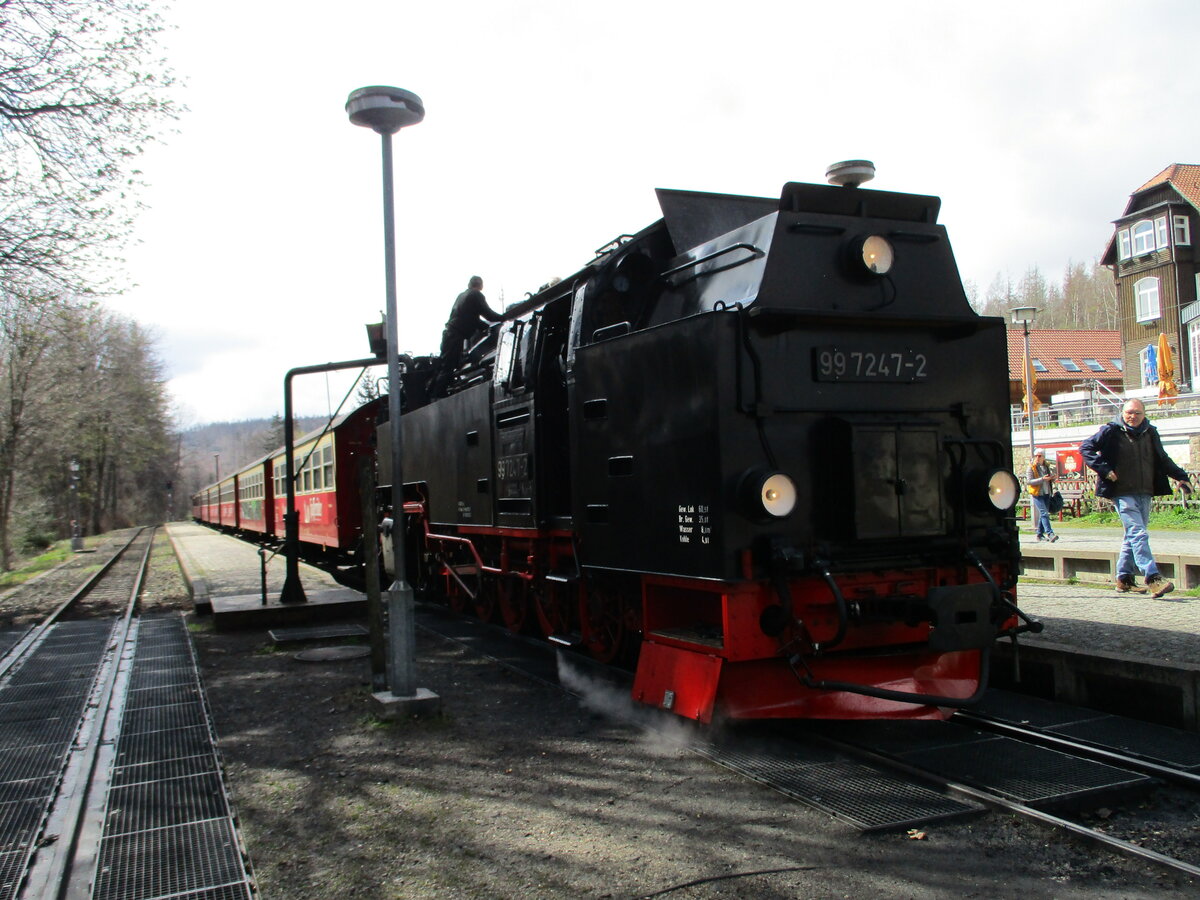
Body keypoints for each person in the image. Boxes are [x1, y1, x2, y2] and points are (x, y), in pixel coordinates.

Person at [1080, 398, 1193, 597]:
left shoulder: (1150, 433)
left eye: (1137, 413)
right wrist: (1105, 470)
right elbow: (1086, 448)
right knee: (1138, 533)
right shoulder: (1111, 431)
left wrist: (1182, 477)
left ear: (1144, 414)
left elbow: (1163, 459)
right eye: (1129, 413)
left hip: (1144, 491)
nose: (1132, 417)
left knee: (1132, 536)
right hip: (1121, 492)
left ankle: (1124, 579)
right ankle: (1153, 577)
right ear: (1122, 413)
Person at [433, 276, 503, 395]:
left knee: (447, 367)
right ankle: (437, 395)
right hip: (455, 336)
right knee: (448, 368)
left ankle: (438, 392)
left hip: (449, 334)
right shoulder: (476, 295)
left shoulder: (462, 296)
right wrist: (503, 318)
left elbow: (470, 319)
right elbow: (488, 315)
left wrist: (484, 327)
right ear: (480, 285)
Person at [1026, 448, 1059, 542]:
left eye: (1039, 456)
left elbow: (1048, 480)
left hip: (1046, 492)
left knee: (1043, 514)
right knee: (1044, 513)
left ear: (1043, 457)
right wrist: (1042, 479)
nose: (1037, 457)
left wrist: (1052, 478)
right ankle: (1050, 533)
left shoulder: (1046, 466)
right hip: (1037, 493)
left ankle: (1039, 535)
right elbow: (1029, 481)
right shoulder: (1031, 467)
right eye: (1036, 455)